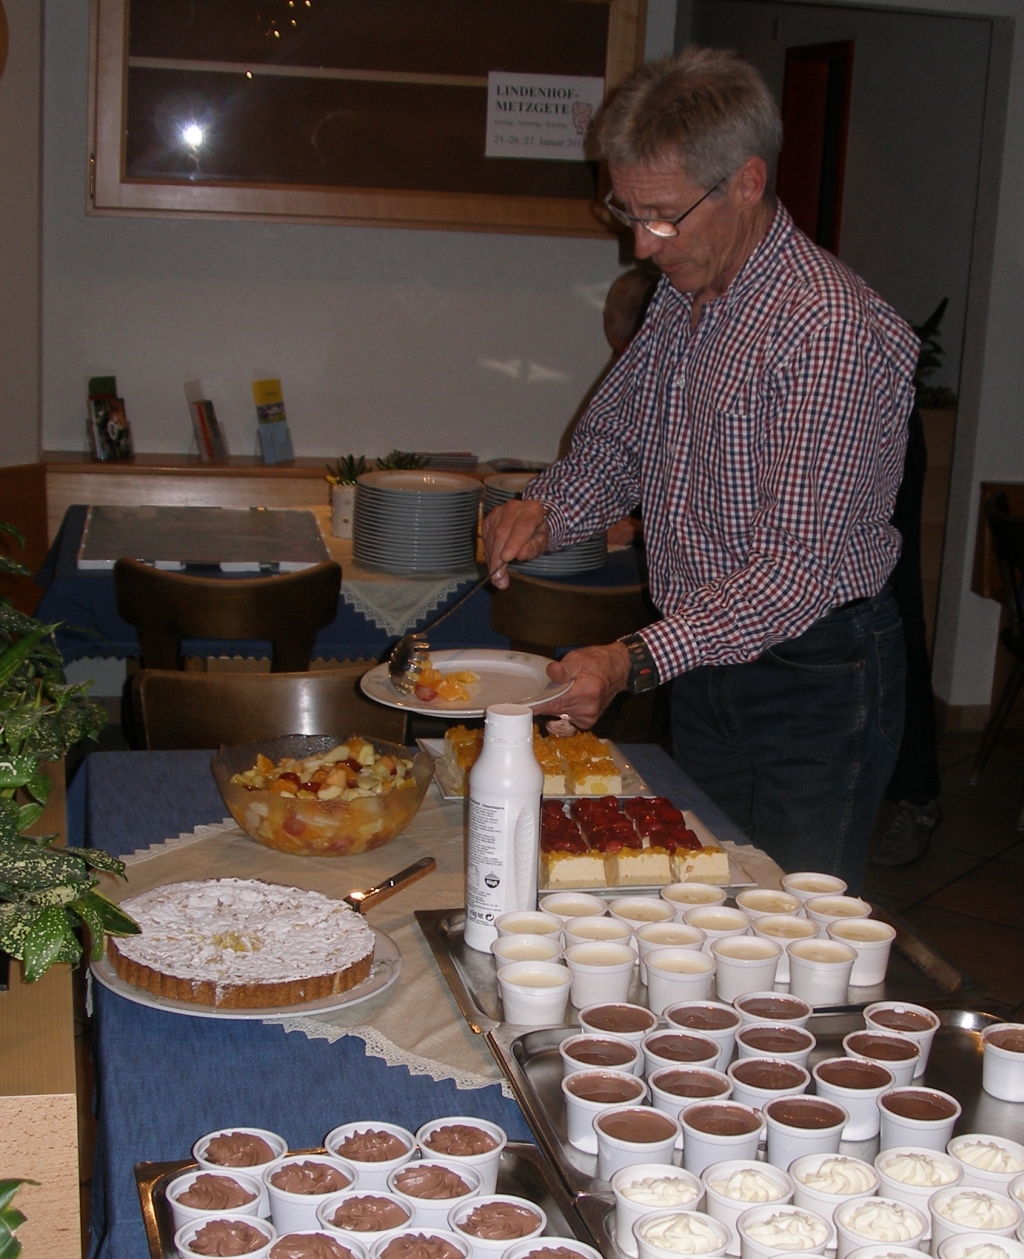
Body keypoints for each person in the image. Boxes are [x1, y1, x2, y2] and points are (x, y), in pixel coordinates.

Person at [482, 46, 918, 891]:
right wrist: (546, 507)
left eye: (664, 216)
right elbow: (615, 444)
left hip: (815, 679)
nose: (643, 246)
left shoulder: (826, 329)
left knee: (792, 937)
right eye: (627, 212)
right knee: (696, 900)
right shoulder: (685, 299)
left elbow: (791, 576)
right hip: (705, 658)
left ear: (747, 183)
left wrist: (629, 661)